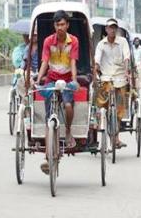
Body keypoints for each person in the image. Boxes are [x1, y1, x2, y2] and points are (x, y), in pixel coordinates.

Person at [35, 10, 79, 174]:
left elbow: (73, 62)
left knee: (68, 105)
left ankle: (67, 131)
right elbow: (45, 62)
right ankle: (48, 158)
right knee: (49, 119)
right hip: (51, 80)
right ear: (54, 26)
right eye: (57, 24)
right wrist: (39, 78)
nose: (60, 27)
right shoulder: (48, 41)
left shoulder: (73, 41)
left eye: (62, 24)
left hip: (67, 81)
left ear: (67, 25)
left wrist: (74, 80)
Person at [94, 18, 131, 148]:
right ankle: (101, 119)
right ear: (106, 29)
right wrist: (96, 69)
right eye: (110, 27)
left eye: (114, 27)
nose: (112, 29)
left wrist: (126, 72)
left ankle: (116, 137)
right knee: (101, 103)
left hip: (120, 77)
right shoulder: (101, 44)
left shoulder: (123, 42)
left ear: (116, 29)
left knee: (119, 109)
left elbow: (126, 57)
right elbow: (97, 59)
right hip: (106, 78)